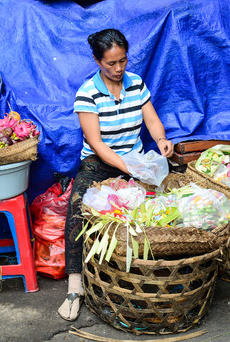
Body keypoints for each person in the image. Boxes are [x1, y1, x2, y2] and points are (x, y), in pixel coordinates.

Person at [58, 28, 174, 321]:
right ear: (97, 61)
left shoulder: (136, 84)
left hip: (134, 160)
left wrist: (161, 141)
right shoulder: (88, 93)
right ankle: (75, 287)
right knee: (77, 210)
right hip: (99, 163)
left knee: (156, 208)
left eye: (122, 60)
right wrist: (129, 170)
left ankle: (147, 274)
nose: (119, 68)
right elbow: (96, 143)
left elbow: (152, 120)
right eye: (111, 63)